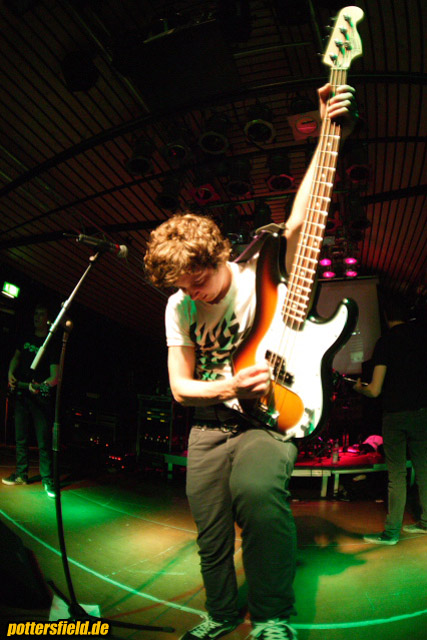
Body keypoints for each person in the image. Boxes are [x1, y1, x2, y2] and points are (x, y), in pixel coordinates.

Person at [144, 83, 357, 640]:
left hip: (269, 414)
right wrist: (227, 387)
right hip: (210, 423)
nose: (195, 293)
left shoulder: (261, 275)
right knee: (210, 528)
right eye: (183, 286)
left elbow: (302, 221)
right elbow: (180, 387)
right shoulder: (179, 306)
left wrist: (325, 132)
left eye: (199, 280)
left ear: (220, 257)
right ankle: (219, 614)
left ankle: (271, 616)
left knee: (260, 502)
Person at [354, 295, 427, 545]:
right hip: (422, 414)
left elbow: (375, 390)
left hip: (395, 416)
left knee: (396, 475)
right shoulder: (422, 339)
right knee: (424, 470)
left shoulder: (385, 342)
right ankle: (426, 522)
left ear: (386, 317)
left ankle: (391, 533)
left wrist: (359, 389)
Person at [2, 302, 59, 498]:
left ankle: (47, 479)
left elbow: (55, 377)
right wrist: (10, 373)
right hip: (21, 394)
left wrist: (42, 385)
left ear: (47, 319)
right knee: (21, 438)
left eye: (41, 314)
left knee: (43, 440)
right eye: (35, 313)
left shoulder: (51, 344)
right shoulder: (26, 337)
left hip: (40, 400)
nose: (37, 317)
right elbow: (16, 357)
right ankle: (21, 474)